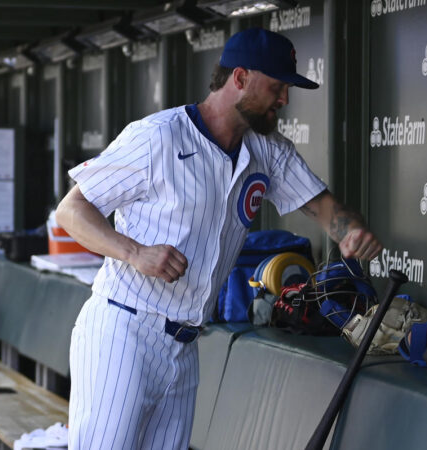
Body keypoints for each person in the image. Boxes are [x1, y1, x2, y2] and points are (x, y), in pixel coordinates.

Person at [55, 27, 382, 450]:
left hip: (186, 344)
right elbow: (71, 210)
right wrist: (134, 252)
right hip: (125, 329)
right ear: (240, 78)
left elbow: (327, 213)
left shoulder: (267, 150)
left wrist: (351, 232)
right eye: (277, 87)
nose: (283, 99)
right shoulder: (159, 135)